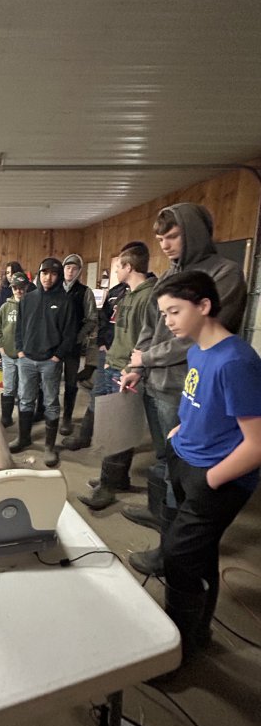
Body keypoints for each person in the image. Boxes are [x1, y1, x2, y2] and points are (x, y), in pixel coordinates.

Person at [120, 203, 247, 577]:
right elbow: (150, 326)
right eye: (160, 238)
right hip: (156, 382)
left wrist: (149, 358)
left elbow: (199, 336)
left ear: (194, 232)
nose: (165, 244)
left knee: (187, 470)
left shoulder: (224, 274)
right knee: (165, 460)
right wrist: (135, 366)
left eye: (172, 236)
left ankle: (172, 551)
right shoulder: (170, 274)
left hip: (186, 387)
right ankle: (161, 519)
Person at [152, 271, 261, 662]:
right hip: (188, 458)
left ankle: (178, 649)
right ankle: (198, 633)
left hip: (217, 476)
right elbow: (198, 400)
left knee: (180, 556)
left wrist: (210, 479)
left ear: (204, 306)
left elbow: (257, 445)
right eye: (164, 313)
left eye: (174, 311)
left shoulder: (236, 361)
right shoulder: (197, 350)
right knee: (198, 552)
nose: (168, 321)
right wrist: (180, 432)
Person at [77, 244, 156, 509]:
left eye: (118, 266)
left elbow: (149, 339)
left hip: (127, 371)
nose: (115, 271)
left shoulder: (149, 297)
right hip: (114, 362)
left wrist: (134, 369)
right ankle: (115, 478)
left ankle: (108, 488)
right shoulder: (129, 294)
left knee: (118, 429)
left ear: (128, 267)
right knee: (115, 425)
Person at [10, 257, 78, 467]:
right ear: (39, 274)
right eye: (44, 273)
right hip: (27, 359)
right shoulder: (28, 299)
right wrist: (20, 350)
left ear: (58, 277)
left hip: (50, 361)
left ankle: (49, 447)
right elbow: (19, 328)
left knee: (50, 403)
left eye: (53, 274)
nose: (48, 278)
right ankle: (24, 438)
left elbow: (70, 333)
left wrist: (58, 355)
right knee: (25, 399)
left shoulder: (65, 301)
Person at [58, 254, 98, 436]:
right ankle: (46, 413)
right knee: (49, 380)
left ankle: (67, 417)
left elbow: (92, 319)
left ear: (79, 272)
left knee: (71, 382)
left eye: (74, 268)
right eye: (67, 267)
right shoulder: (55, 288)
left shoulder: (85, 292)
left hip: (73, 346)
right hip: (54, 345)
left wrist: (79, 337)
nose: (70, 271)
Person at [0, 272, 29, 427]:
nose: (18, 291)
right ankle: (6, 417)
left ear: (26, 288)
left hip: (25, 356)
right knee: (8, 386)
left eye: (21, 288)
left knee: (24, 388)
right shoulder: (5, 307)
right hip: (7, 354)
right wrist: (1, 347)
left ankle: (24, 419)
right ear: (12, 288)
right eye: (15, 288)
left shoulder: (31, 306)